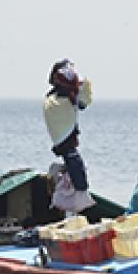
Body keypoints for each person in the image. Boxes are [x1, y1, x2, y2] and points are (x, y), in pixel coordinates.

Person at [43, 59, 93, 198]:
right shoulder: (58, 99)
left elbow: (82, 103)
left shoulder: (56, 98)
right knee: (75, 164)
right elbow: (82, 102)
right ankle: (79, 193)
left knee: (73, 161)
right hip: (64, 135)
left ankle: (70, 184)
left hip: (63, 134)